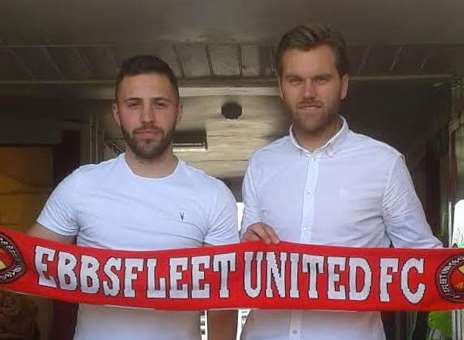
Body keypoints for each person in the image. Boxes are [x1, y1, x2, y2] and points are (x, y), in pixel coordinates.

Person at [240, 24, 442, 340]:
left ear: (343, 85)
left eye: (320, 79)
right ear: (281, 87)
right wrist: (246, 244)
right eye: (295, 80)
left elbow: (425, 260)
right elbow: (244, 264)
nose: (308, 93)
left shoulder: (384, 164)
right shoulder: (260, 164)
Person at [28, 55, 239, 340]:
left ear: (178, 111)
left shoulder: (213, 196)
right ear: (117, 113)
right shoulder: (81, 185)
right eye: (133, 104)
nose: (147, 118)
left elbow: (223, 302)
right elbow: (26, 261)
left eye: (159, 104)